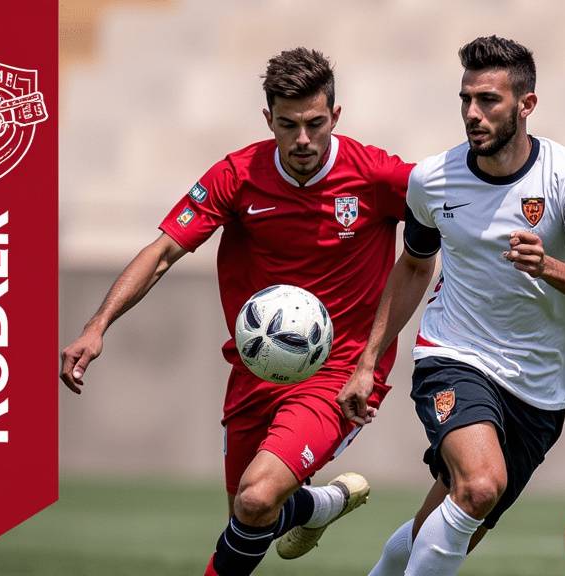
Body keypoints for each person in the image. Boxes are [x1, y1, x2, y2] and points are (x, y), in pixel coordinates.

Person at [59, 48, 413, 576]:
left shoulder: (377, 176)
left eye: (315, 124)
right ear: (267, 118)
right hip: (255, 371)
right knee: (251, 515)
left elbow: (448, 221)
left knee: (255, 500)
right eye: (287, 125)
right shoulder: (237, 175)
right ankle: (317, 506)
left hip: (339, 373)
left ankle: (305, 504)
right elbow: (161, 254)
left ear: (335, 117)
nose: (301, 140)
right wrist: (97, 326)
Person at [337, 35, 565, 576]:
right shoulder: (432, 180)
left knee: (455, 518)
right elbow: (415, 266)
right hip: (454, 353)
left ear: (526, 104)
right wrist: (366, 361)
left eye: (488, 100)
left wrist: (550, 267)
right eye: (466, 99)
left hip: (541, 385)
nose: (473, 113)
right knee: (480, 484)